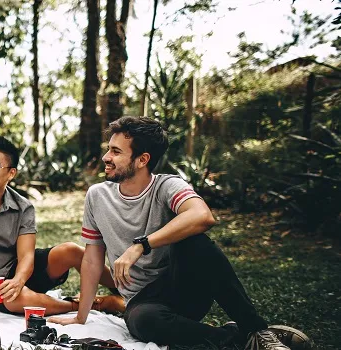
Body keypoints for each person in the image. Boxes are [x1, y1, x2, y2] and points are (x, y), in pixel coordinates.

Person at [48, 116, 308, 350]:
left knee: (195, 242)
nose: (106, 157)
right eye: (109, 149)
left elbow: (203, 216)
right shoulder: (97, 196)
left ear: (142, 160)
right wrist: (81, 317)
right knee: (141, 321)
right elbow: (92, 260)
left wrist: (141, 245)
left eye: (116, 151)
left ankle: (256, 329)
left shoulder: (167, 185)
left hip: (184, 288)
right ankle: (239, 338)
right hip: (143, 302)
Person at [0, 135, 124, 316]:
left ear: (11, 173)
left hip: (22, 270)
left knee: (71, 251)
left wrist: (18, 280)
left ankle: (126, 291)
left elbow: (26, 256)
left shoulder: (23, 207)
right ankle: (94, 304)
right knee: (14, 299)